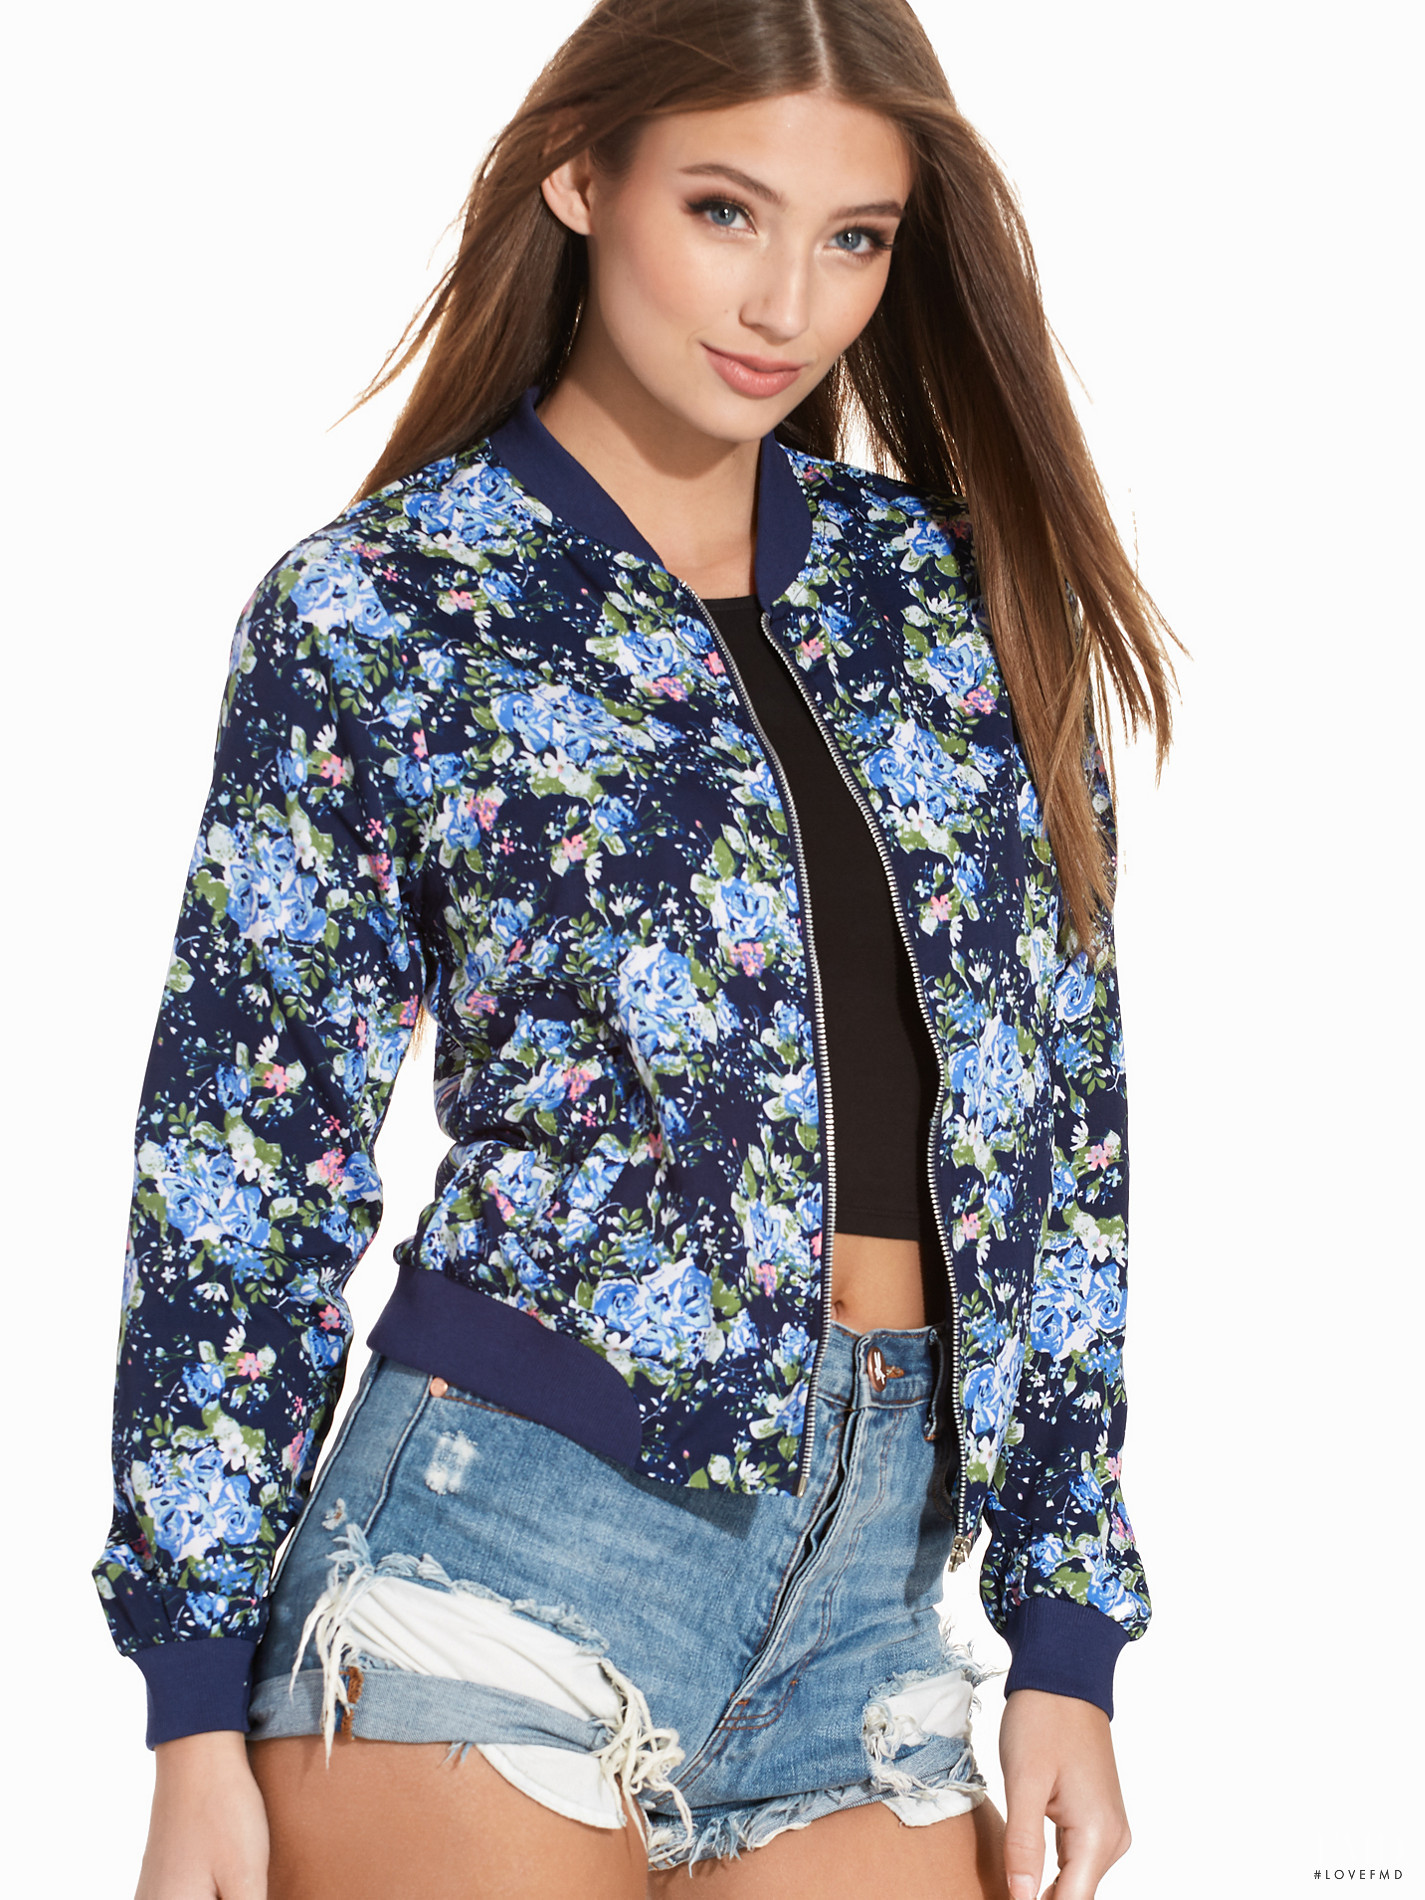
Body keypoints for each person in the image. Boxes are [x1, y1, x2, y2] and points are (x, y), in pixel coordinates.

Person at [97, 2, 1175, 1895]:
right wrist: (191, 1701)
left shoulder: (952, 597)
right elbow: (244, 1160)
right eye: (723, 210)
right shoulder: (385, 608)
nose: (785, 302)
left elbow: (1059, 1132)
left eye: (853, 237)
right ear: (581, 177)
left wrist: (1065, 1634)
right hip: (489, 1555)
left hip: (872, 1609)